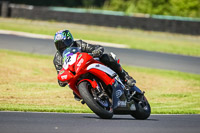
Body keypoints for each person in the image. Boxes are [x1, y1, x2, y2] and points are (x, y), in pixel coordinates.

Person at [53, 30, 136, 100]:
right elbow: (60, 74)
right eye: (59, 45)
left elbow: (96, 47)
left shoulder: (79, 44)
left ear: (70, 40)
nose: (62, 46)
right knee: (74, 90)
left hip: (89, 63)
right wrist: (62, 80)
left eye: (64, 43)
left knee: (106, 57)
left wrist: (96, 51)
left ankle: (125, 77)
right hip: (77, 75)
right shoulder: (57, 58)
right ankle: (90, 96)